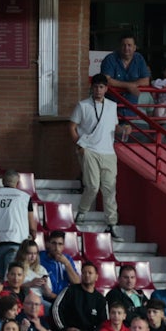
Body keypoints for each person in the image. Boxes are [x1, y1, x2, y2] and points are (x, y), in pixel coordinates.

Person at [69, 73, 126, 227]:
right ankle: (82, 211)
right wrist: (80, 146)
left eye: (101, 87)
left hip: (108, 152)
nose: (98, 90)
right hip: (90, 150)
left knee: (109, 189)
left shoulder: (112, 106)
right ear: (91, 88)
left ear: (106, 89)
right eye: (95, 87)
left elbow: (114, 127)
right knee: (93, 186)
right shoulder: (83, 105)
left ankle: (112, 223)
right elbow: (72, 127)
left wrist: (124, 130)